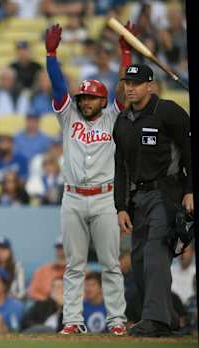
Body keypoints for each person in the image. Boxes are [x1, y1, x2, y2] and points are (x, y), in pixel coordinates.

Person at [45, 22, 135, 335]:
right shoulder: (68, 116)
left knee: (111, 264)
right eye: (83, 97)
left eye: (91, 98)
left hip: (103, 198)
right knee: (74, 265)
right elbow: (58, 86)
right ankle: (72, 321)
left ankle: (116, 322)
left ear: (102, 100)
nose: (85, 102)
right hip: (72, 197)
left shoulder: (113, 116)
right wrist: (51, 54)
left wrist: (126, 55)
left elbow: (125, 90)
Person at [113, 64, 193, 337]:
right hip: (138, 197)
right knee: (137, 259)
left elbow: (189, 151)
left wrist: (190, 190)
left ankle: (155, 319)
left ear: (151, 86)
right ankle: (165, 318)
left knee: (155, 252)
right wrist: (121, 206)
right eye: (127, 83)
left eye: (136, 83)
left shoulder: (168, 112)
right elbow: (120, 167)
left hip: (167, 192)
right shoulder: (122, 121)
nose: (130, 88)